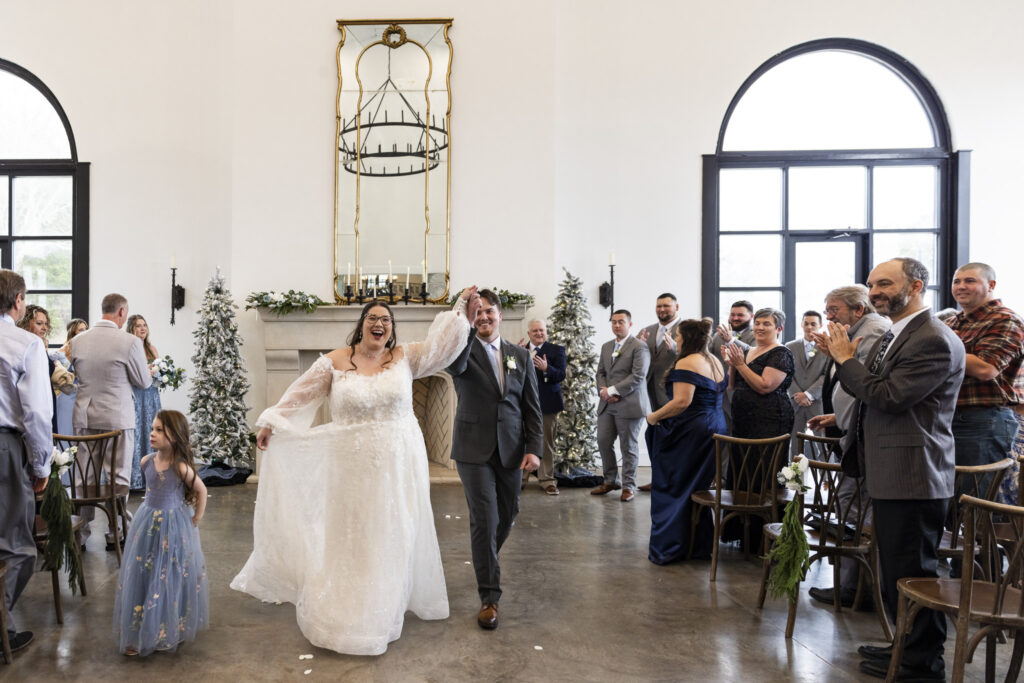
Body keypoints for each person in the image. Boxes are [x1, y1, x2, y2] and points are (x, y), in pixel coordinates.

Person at [233, 291, 477, 654]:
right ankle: (344, 610)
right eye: (372, 318)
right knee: (351, 535)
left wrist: (462, 315)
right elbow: (300, 395)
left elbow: (440, 349)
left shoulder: (405, 357)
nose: (379, 324)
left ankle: (384, 609)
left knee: (390, 534)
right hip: (349, 468)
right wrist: (272, 422)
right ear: (361, 324)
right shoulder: (335, 361)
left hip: (395, 468)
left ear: (391, 329)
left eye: (386, 320)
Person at [823, 257, 964, 681]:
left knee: (916, 573)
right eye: (871, 285)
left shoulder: (933, 338)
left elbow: (888, 396)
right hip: (890, 468)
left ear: (917, 285)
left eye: (885, 283)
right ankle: (903, 644)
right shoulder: (900, 332)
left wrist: (846, 359)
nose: (875, 292)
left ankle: (923, 661)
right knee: (897, 573)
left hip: (913, 471)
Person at [446, 289, 542, 630]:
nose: (484, 317)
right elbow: (453, 367)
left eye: (488, 312)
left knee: (508, 513)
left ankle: (484, 556)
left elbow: (531, 406)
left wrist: (534, 448)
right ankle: (489, 597)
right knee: (485, 519)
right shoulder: (462, 350)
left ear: (500, 314)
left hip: (512, 449)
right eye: (478, 313)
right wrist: (466, 326)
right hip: (473, 449)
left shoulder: (520, 355)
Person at [805, 285, 890, 609]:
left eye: (835, 309)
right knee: (848, 511)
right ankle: (850, 586)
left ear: (858, 310)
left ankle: (856, 590)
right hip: (852, 430)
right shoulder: (854, 332)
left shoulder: (872, 332)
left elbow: (865, 385)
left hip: (866, 440)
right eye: (827, 308)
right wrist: (839, 417)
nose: (828, 315)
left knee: (852, 514)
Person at [113, 410, 208, 656]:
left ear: (174, 437)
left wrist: (196, 517)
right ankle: (141, 628)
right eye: (152, 429)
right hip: (148, 522)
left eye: (159, 430)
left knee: (169, 574)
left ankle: (166, 628)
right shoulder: (146, 462)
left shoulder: (180, 467)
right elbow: (151, 489)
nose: (152, 434)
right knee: (145, 570)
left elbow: (202, 490)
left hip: (174, 525)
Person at [70, 293, 152, 548]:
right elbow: (143, 381)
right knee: (117, 477)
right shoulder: (129, 342)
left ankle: (79, 535)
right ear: (122, 312)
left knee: (85, 477)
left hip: (85, 414)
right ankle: (115, 534)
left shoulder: (77, 340)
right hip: (117, 417)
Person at [644, 318, 727, 564]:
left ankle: (674, 545)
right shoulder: (714, 360)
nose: (676, 340)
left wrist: (653, 417)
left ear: (688, 338)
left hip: (693, 429)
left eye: (678, 336)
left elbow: (682, 402)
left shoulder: (688, 362)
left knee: (677, 485)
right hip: (715, 424)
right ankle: (697, 545)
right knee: (696, 485)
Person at [0, 270, 52, 655]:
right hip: (5, 449)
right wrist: (41, 466)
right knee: (18, 548)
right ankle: (1, 627)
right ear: (18, 302)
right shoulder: (25, 344)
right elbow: (36, 413)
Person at [946, 263, 1023, 504]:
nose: (960, 287)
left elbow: (985, 368)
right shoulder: (952, 322)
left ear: (991, 286)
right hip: (949, 416)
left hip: (986, 419)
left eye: (969, 281)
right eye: (956, 281)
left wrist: (940, 349)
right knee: (952, 502)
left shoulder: (1006, 319)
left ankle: (984, 544)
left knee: (976, 503)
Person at [592, 309, 651, 502]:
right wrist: (603, 390)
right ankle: (610, 480)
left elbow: (638, 376)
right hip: (607, 404)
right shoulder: (607, 346)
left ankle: (628, 486)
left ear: (630, 324)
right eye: (614, 322)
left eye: (621, 322)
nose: (617, 325)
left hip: (630, 403)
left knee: (628, 447)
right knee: (602, 441)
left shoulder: (639, 346)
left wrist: (613, 391)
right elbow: (600, 372)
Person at [722, 307, 795, 440]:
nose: (760, 327)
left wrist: (740, 365)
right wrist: (732, 365)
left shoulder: (781, 353)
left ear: (779, 329)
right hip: (741, 417)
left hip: (768, 419)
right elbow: (731, 386)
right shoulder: (747, 351)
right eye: (757, 323)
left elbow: (764, 387)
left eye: (766, 324)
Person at [636, 293, 682, 491]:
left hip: (674, 392)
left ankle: (675, 482)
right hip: (649, 393)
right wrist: (636, 345)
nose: (662, 309)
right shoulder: (647, 330)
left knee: (675, 439)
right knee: (655, 437)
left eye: (666, 306)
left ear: (676, 307)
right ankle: (658, 479)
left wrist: (675, 351)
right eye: (659, 306)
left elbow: (694, 357)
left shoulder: (686, 330)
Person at [520, 319, 566, 495]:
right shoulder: (520, 350)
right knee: (522, 442)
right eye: (535, 331)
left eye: (542, 330)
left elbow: (561, 375)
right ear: (529, 334)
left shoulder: (556, 350)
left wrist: (547, 368)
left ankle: (547, 480)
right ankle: (521, 478)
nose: (539, 333)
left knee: (546, 442)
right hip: (524, 405)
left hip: (548, 404)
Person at [17, 304, 74, 433]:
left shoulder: (40, 345)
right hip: (35, 405)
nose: (44, 328)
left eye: (46, 324)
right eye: (39, 323)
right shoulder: (28, 347)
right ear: (26, 324)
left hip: (46, 400)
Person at [126, 314, 162, 491]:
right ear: (131, 328)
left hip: (151, 395)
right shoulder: (129, 348)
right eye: (138, 325)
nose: (142, 328)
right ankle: (135, 478)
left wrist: (162, 374)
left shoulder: (152, 349)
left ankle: (152, 477)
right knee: (137, 432)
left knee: (151, 431)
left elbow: (160, 370)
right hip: (136, 394)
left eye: (144, 325)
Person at [785, 310, 827, 455]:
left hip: (817, 403)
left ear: (820, 325)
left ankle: (826, 477)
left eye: (813, 324)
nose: (809, 327)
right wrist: (798, 394)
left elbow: (826, 375)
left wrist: (809, 395)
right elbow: (787, 373)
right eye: (806, 323)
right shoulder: (790, 346)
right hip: (795, 403)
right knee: (795, 444)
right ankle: (795, 477)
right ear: (802, 324)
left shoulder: (826, 347)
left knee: (823, 443)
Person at [710, 300, 755, 433]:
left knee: (742, 431)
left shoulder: (756, 335)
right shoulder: (718, 336)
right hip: (721, 393)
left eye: (740, 315)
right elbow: (709, 357)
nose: (735, 318)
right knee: (722, 433)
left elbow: (753, 355)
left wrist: (731, 341)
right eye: (732, 314)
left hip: (745, 391)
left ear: (751, 316)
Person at [56, 319, 88, 435]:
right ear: (73, 332)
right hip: (67, 397)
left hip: (83, 397)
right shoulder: (61, 352)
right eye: (81, 330)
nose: (85, 332)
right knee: (66, 432)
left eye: (86, 329)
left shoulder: (86, 350)